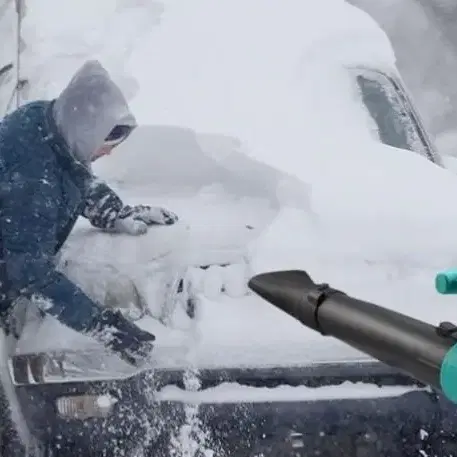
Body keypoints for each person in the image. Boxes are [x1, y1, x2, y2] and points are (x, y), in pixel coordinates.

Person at [0, 59, 179, 368]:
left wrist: (113, 212)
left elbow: (70, 170)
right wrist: (103, 326)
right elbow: (27, 269)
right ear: (84, 129)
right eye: (105, 142)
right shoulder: (32, 181)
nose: (109, 152)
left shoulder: (46, 122)